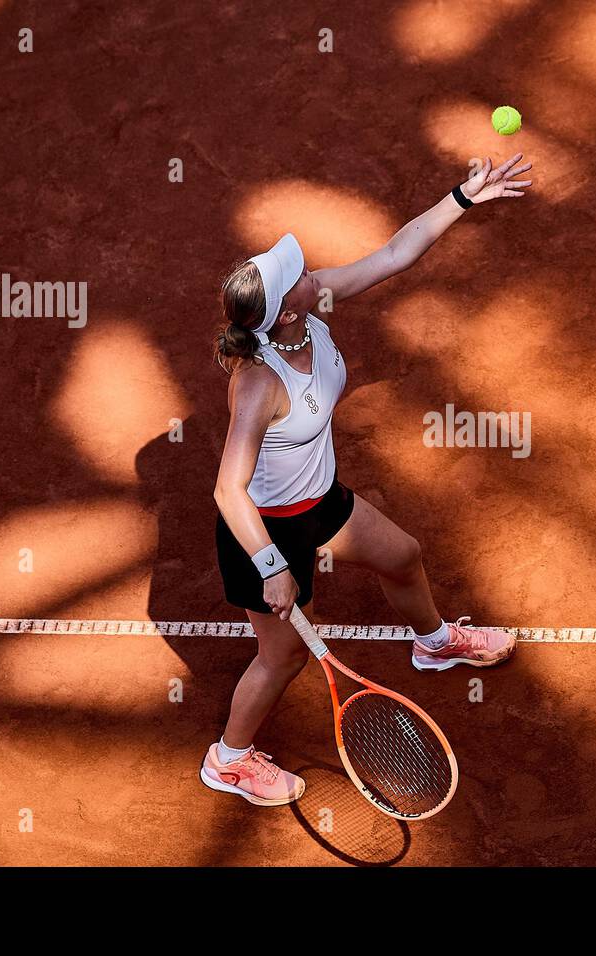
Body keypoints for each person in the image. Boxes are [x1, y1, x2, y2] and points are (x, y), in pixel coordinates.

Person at [201, 154, 533, 806]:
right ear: (284, 313)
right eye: (297, 278)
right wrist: (271, 567)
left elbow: (393, 255)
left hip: (319, 501)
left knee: (403, 557)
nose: (310, 274)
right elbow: (226, 489)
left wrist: (463, 196)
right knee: (283, 658)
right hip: (263, 533)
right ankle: (229, 760)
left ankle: (434, 644)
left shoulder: (310, 304)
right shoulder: (260, 383)